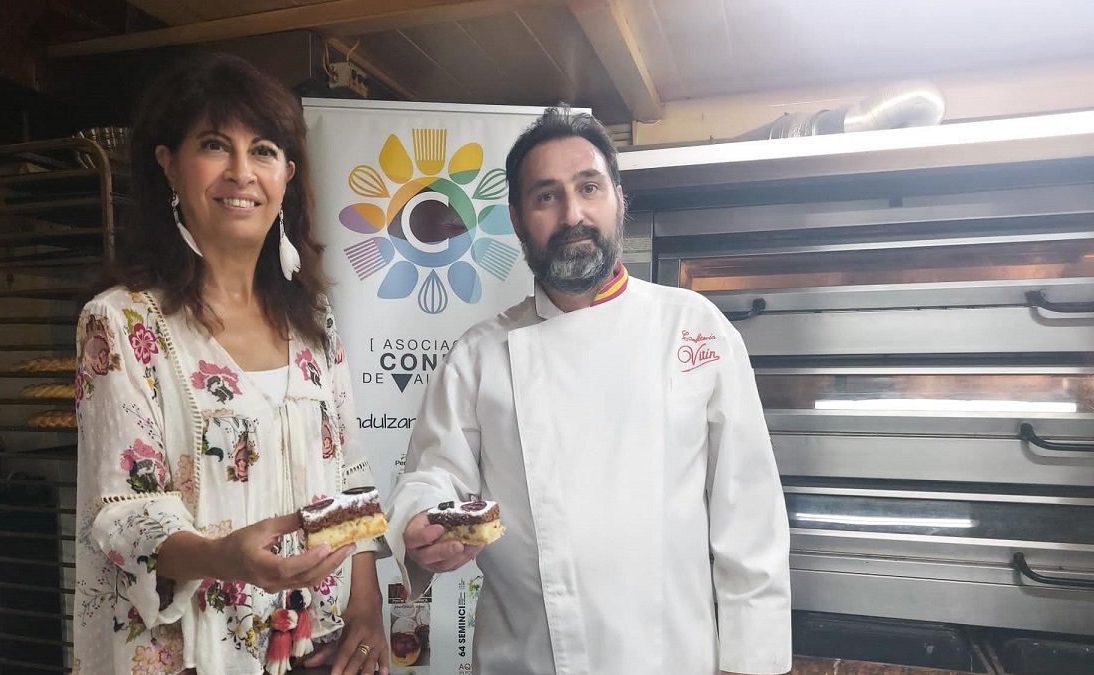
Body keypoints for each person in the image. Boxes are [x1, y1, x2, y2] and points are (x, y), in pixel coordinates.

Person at [386, 106, 791, 675]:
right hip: (526, 659)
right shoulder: (478, 355)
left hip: (673, 656)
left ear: (618, 198)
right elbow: (434, 474)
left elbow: (749, 517)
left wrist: (751, 665)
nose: (573, 213)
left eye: (589, 187)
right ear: (518, 217)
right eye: (546, 196)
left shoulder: (694, 327)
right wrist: (424, 517)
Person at [73, 53, 389, 675]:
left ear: (288, 176)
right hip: (190, 654)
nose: (242, 172)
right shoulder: (122, 323)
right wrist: (224, 557)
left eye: (264, 150)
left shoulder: (313, 319)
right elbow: (123, 513)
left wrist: (366, 603)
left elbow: (350, 470)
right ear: (168, 164)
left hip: (314, 647)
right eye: (216, 145)